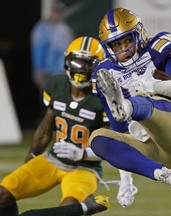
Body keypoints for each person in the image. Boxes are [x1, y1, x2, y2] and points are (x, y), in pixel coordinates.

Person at [59, 7, 171, 197]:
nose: (123, 49)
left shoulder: (157, 50)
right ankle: (164, 175)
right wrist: (125, 181)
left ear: (139, 35)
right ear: (108, 48)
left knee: (143, 98)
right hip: (152, 149)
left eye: (128, 40)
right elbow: (121, 134)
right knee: (98, 138)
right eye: (116, 45)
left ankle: (130, 106)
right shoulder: (105, 74)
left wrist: (156, 86)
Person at [0, 36, 110, 216]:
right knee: (3, 195)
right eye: (77, 63)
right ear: (67, 61)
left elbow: (110, 145)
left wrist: (81, 153)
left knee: (68, 209)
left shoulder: (103, 98)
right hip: (53, 159)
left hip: (84, 168)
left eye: (87, 64)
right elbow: (45, 130)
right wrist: (32, 158)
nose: (81, 69)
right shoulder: (56, 85)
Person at [31, 0, 74, 92]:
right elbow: (38, 50)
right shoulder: (43, 28)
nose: (57, 14)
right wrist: (40, 69)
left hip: (63, 73)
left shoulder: (65, 29)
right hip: (48, 73)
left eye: (60, 12)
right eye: (55, 12)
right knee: (48, 98)